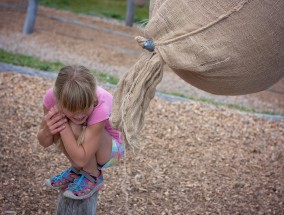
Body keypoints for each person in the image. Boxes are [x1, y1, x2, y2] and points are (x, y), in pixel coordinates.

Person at [37, 65, 124, 200]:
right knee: (59, 123)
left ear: (92, 99)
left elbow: (82, 159)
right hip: (84, 151)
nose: (79, 114)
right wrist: (48, 129)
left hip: (110, 151)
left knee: (73, 125)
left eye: (84, 107)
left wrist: (64, 124)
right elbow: (44, 142)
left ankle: (93, 175)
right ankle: (77, 171)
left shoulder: (101, 102)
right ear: (59, 101)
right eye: (72, 109)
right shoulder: (51, 98)